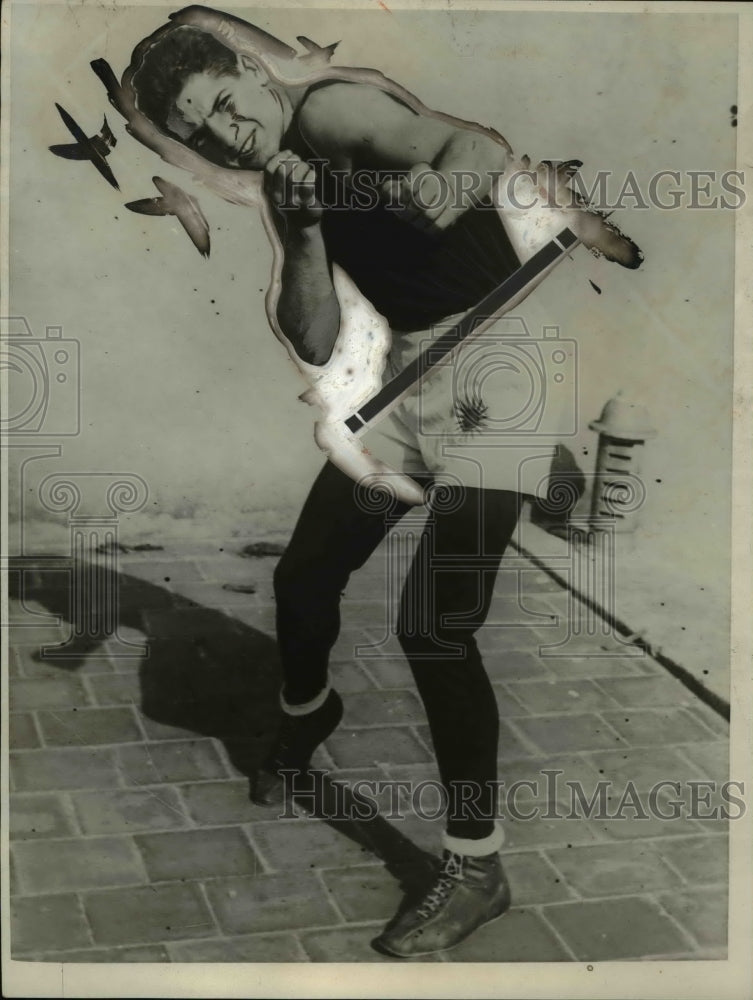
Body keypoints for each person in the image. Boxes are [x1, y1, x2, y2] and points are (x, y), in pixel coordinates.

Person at [128, 21, 635, 957]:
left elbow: (470, 151)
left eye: (227, 104)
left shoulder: (330, 110)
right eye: (200, 131)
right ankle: (308, 712)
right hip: (415, 375)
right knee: (304, 576)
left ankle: (476, 866)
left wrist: (417, 193)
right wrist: (305, 227)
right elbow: (314, 335)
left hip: (501, 371)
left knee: (434, 628)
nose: (227, 134)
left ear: (252, 72)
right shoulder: (283, 176)